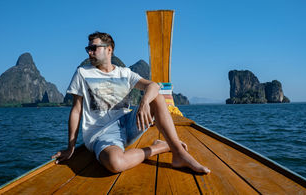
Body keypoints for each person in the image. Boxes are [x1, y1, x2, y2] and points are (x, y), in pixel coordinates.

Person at [52, 32, 210, 174]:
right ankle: (160, 147)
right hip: (101, 134)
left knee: (156, 97)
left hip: (127, 124)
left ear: (109, 49)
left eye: (94, 48)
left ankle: (179, 154)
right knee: (116, 163)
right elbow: (76, 110)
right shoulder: (83, 73)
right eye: (88, 49)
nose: (90, 52)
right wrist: (70, 147)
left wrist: (144, 103)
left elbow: (153, 85)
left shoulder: (124, 73)